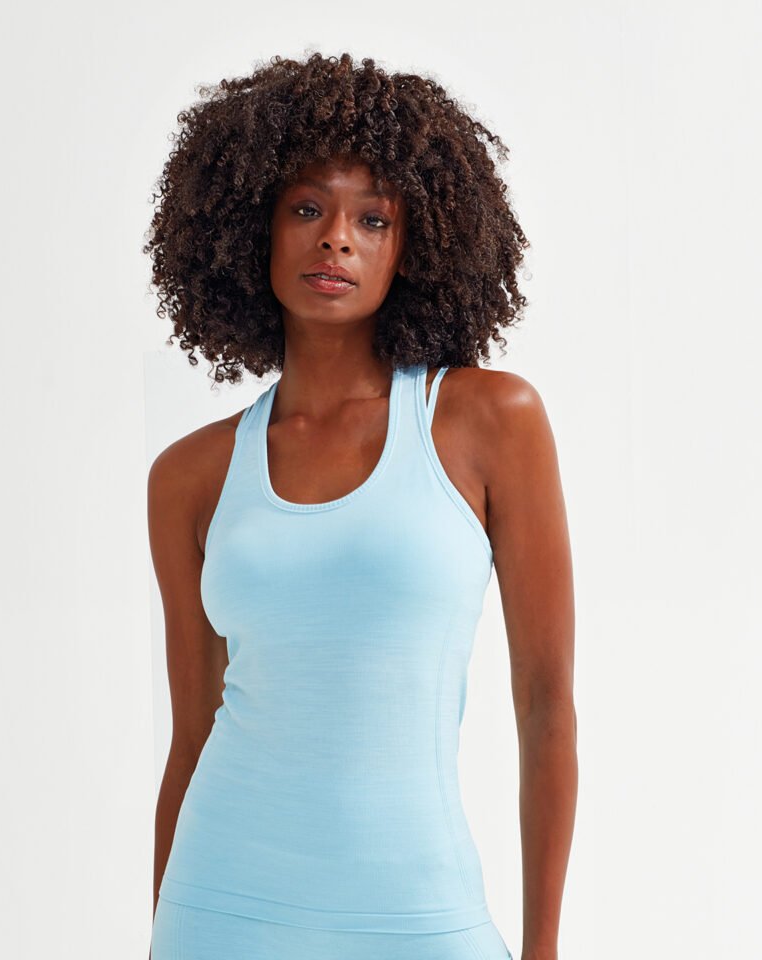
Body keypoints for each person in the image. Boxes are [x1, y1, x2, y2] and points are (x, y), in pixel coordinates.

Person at [143, 51, 577, 960]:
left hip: (418, 918)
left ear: (411, 249)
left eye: (372, 219)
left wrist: (542, 950)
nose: (336, 238)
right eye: (307, 209)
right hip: (218, 911)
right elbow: (191, 739)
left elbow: (545, 704)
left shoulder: (488, 421)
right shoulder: (190, 476)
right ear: (251, 230)